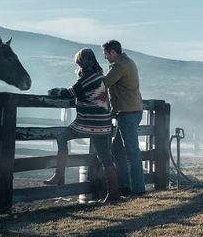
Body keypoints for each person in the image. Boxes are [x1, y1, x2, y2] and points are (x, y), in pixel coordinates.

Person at [46, 48, 120, 204]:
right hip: (104, 123)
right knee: (106, 158)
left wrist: (53, 91)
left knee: (62, 136)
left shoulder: (87, 79)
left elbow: (70, 92)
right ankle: (113, 194)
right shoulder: (99, 76)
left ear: (81, 63)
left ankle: (59, 175)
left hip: (89, 122)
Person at [102, 40, 145, 196]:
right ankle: (125, 185)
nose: (105, 57)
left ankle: (138, 189)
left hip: (127, 113)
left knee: (132, 151)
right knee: (118, 150)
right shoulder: (127, 62)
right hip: (130, 111)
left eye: (106, 54)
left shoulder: (120, 66)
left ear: (113, 52)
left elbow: (105, 82)